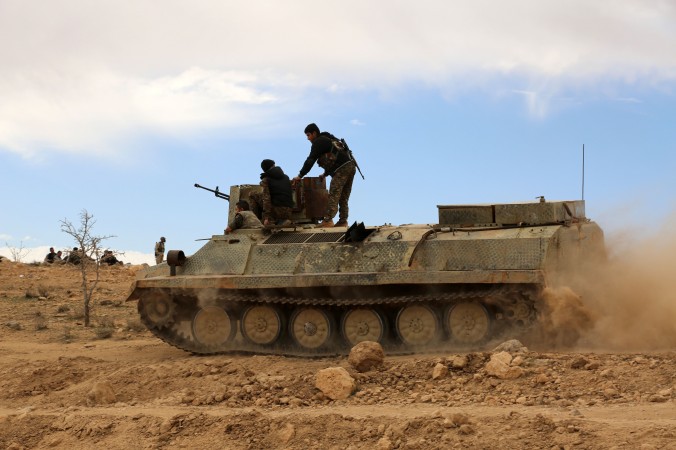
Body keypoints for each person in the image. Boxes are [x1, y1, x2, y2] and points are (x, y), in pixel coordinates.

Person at [292, 123, 356, 227]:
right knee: (343, 196)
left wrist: (300, 175)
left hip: (341, 169)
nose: (308, 138)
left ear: (314, 133)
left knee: (334, 194)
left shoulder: (318, 142)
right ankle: (343, 221)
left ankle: (328, 220)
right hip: (350, 166)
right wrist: (325, 174)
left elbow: (310, 160)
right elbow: (334, 157)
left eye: (308, 135)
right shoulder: (328, 138)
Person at [250, 159, 295, 227]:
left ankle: (255, 221)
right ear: (273, 165)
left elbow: (266, 198)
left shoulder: (266, 179)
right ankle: (282, 220)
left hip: (276, 211)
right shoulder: (286, 177)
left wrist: (266, 217)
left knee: (252, 194)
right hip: (289, 211)